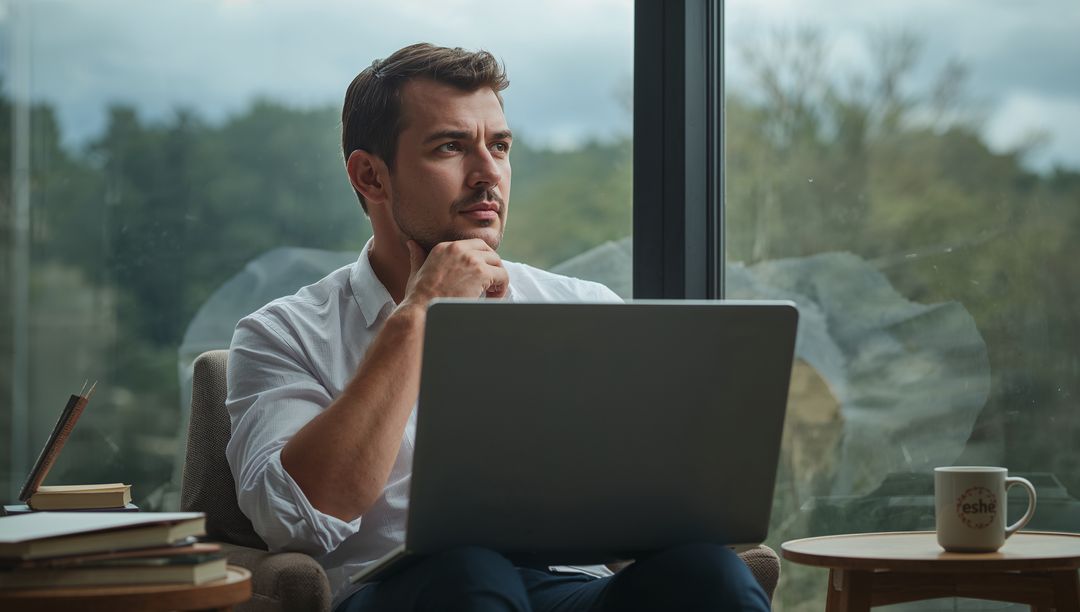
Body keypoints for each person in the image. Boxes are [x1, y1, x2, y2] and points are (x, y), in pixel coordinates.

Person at [225, 42, 770, 612]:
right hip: (401, 595)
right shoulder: (282, 334)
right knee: (469, 571)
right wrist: (421, 312)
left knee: (706, 573)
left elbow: (648, 516)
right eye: (451, 147)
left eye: (500, 147)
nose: (488, 173)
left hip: (567, 590)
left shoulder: (585, 308)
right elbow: (292, 521)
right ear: (370, 176)